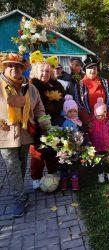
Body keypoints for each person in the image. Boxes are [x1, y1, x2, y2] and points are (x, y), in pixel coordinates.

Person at [0, 53, 50, 217]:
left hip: (25, 133)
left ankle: (20, 193)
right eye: (10, 65)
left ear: (23, 68)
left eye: (18, 66)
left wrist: (45, 123)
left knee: (21, 165)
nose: (14, 69)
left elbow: (38, 108)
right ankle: (19, 200)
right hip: (4, 134)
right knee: (12, 167)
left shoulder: (29, 87)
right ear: (4, 67)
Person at [29, 60, 65, 190]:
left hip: (53, 122)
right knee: (37, 153)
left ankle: (52, 173)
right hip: (36, 124)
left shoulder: (56, 85)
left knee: (52, 149)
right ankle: (36, 178)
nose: (44, 74)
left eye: (47, 71)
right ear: (36, 71)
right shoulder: (31, 86)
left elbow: (61, 101)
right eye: (42, 71)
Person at [75, 55, 109, 131]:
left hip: (105, 122)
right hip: (88, 124)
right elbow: (79, 105)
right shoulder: (79, 85)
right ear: (85, 70)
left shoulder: (104, 82)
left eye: (95, 68)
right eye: (90, 68)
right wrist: (88, 121)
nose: (92, 70)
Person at [88, 97, 109, 183]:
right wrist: (90, 146)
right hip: (97, 148)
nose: (100, 117)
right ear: (95, 114)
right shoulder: (93, 123)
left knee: (107, 162)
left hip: (107, 148)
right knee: (98, 163)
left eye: (102, 115)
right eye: (98, 116)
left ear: (105, 114)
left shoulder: (108, 122)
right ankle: (100, 176)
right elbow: (90, 135)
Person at [60, 94, 83, 191]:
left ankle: (74, 183)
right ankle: (64, 183)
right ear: (66, 112)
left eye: (74, 111)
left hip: (75, 149)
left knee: (74, 166)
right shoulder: (64, 123)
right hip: (65, 149)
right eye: (70, 111)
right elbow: (61, 135)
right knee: (64, 166)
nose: (73, 113)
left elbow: (82, 134)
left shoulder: (79, 122)